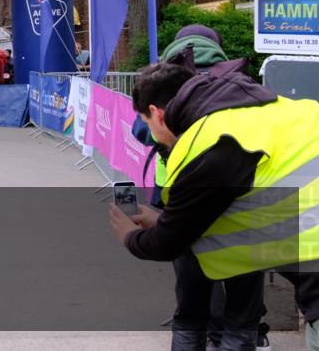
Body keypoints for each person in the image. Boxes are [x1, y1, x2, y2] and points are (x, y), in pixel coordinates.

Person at [109, 61, 319, 351]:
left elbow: (167, 244)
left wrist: (129, 236)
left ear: (156, 114)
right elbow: (240, 211)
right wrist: (163, 220)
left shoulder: (208, 145)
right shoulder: (262, 108)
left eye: (146, 123)